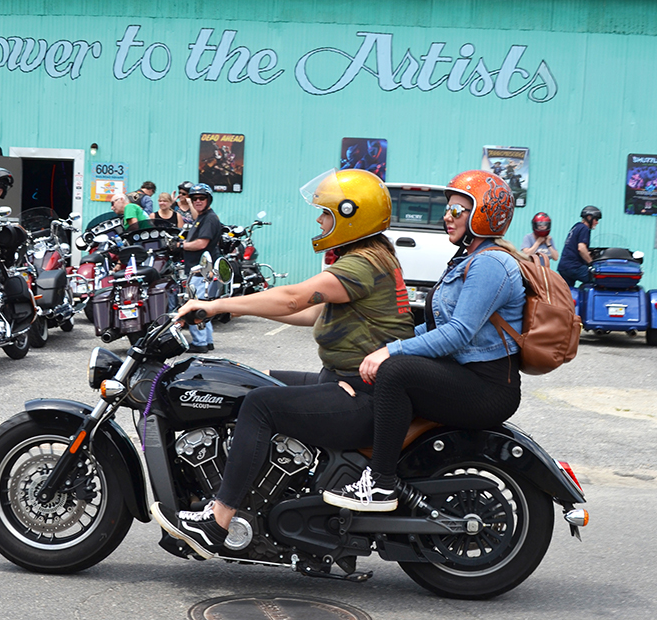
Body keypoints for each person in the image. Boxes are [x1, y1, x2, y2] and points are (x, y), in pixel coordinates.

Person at [150, 169, 415, 557]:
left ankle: (218, 521)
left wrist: (216, 304)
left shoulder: (363, 264)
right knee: (256, 383)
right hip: (350, 382)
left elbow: (294, 298)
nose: (320, 220)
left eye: (325, 213)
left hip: (363, 394)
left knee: (261, 406)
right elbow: (311, 312)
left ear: (349, 216)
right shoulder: (369, 258)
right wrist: (242, 312)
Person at [322, 170, 525, 512]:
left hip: (487, 388)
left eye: (457, 211)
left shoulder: (491, 263)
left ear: (483, 215)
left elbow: (458, 333)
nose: (447, 216)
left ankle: (380, 483)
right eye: (448, 209)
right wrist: (379, 344)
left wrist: (391, 351)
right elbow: (435, 328)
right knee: (384, 365)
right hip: (466, 375)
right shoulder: (468, 259)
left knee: (396, 372)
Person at [179, 183, 223, 353]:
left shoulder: (209, 219)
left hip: (201, 270)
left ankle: (199, 343)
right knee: (203, 305)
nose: (197, 201)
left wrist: (180, 245)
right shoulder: (202, 217)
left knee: (195, 306)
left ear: (208, 199)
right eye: (194, 198)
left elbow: (201, 244)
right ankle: (207, 340)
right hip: (199, 269)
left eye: (201, 198)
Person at [557, 205, 601, 287]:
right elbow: (581, 248)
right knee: (597, 279)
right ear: (589, 217)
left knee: (567, 292)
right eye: (596, 219)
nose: (597, 222)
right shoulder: (584, 228)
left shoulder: (576, 226)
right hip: (574, 266)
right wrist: (591, 263)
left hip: (564, 266)